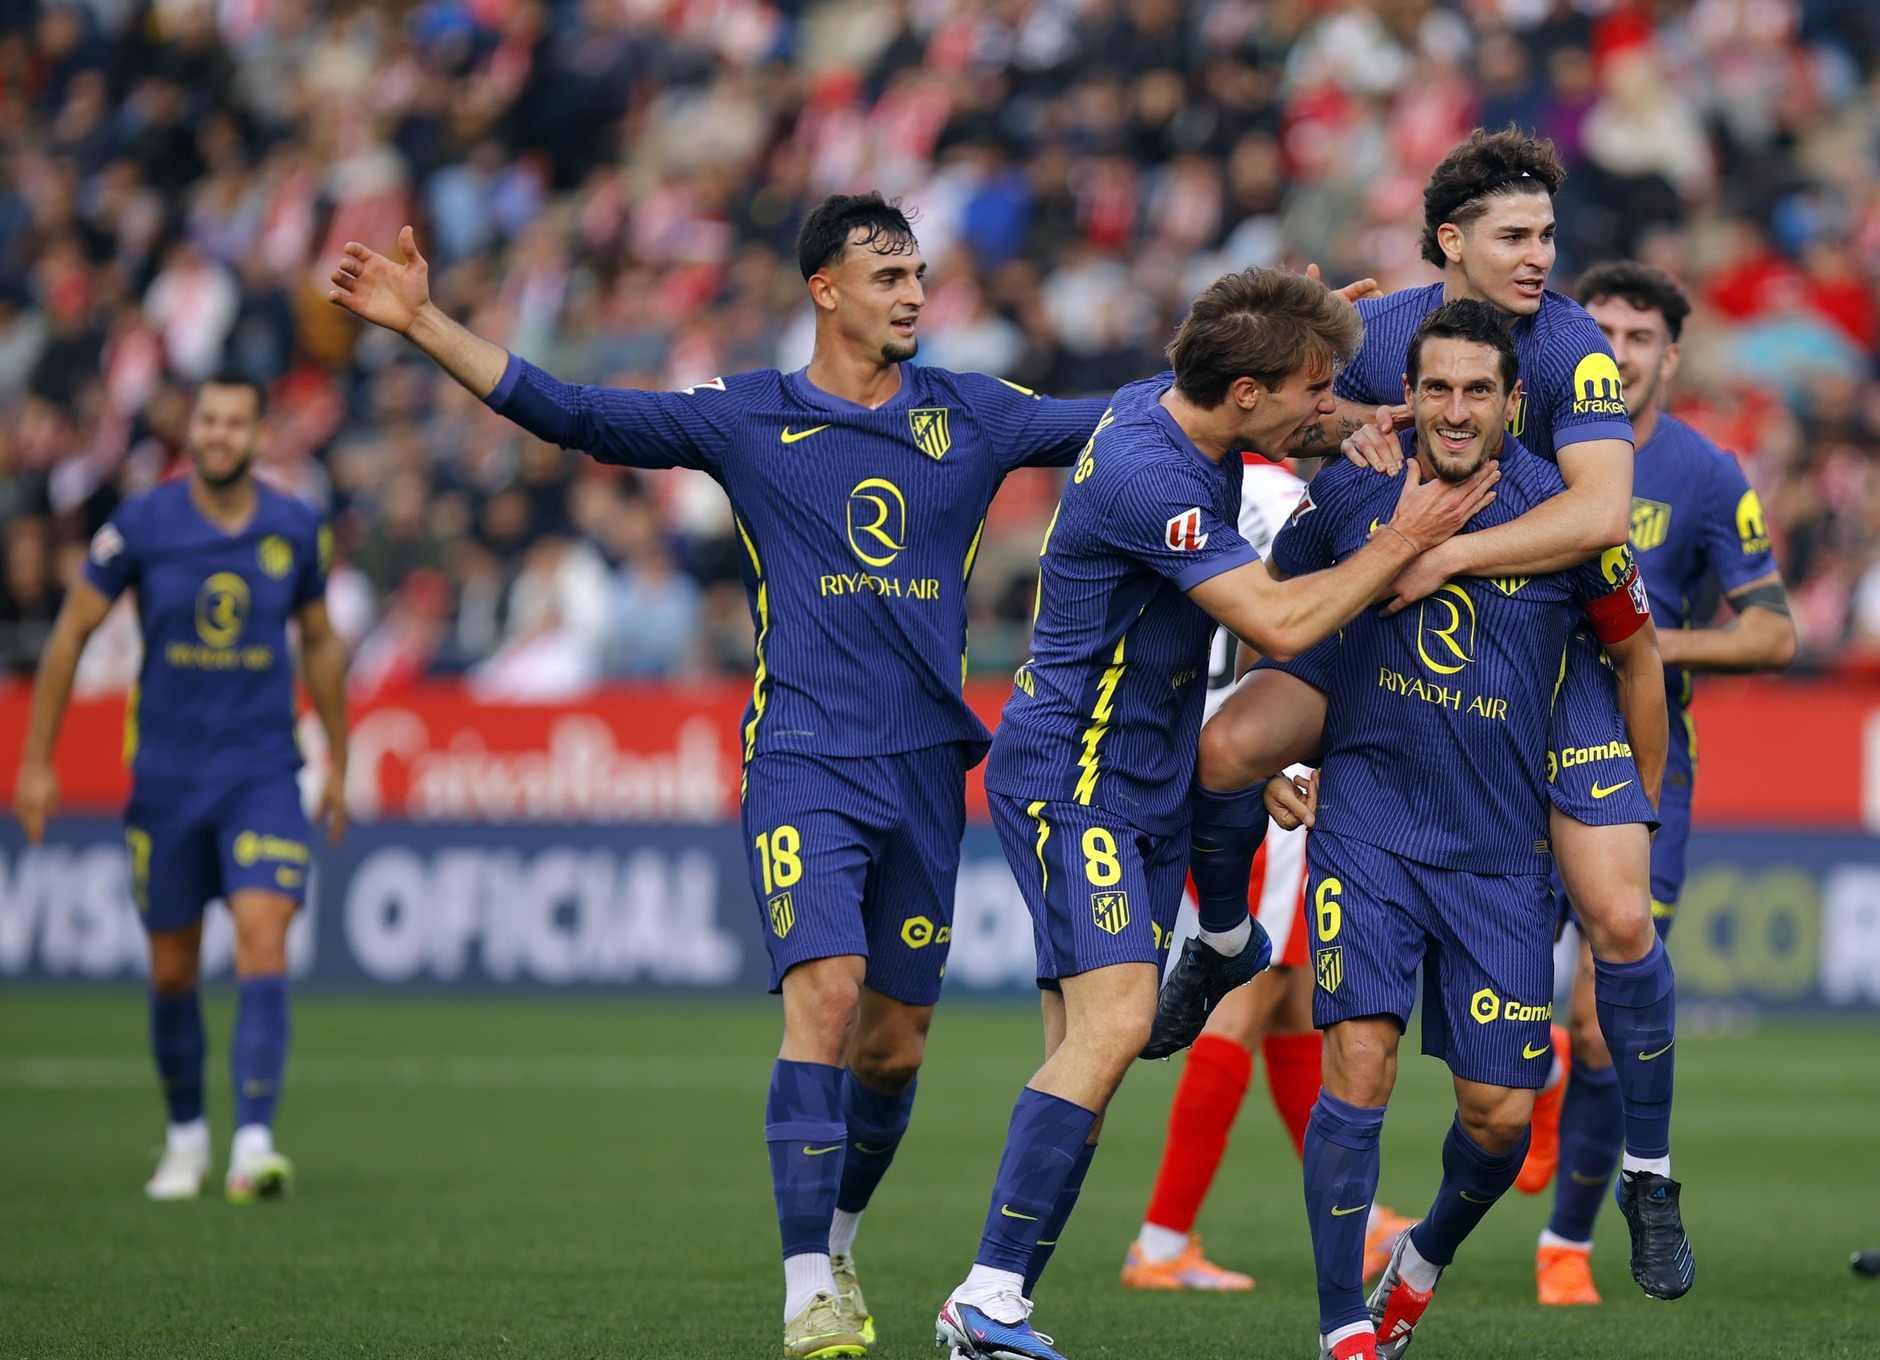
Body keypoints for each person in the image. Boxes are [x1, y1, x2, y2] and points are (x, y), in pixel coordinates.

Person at [327, 193, 1110, 1359]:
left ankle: (836, 1240)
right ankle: (805, 1289)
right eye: (887, 276)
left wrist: (1283, 371)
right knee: (826, 995)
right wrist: (425, 323)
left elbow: (1132, 420)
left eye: (917, 275)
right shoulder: (748, 415)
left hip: (923, 768)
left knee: (893, 1044)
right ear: (824, 289)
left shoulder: (973, 413)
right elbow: (575, 412)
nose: (912, 295)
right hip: (800, 755)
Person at [1160, 127, 1696, 1301]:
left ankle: (1647, 1176)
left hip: (1540, 654)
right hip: (1386, 642)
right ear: (1449, 240)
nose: (1539, 256)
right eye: (1514, 236)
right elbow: (1260, 417)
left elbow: (1598, 516)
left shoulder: (1569, 346)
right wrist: (1321, 403)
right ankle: (1219, 938)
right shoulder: (1382, 332)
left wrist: (1436, 552)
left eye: (1547, 234)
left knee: (1617, 914)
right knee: (1228, 747)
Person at [933, 267, 1499, 1360]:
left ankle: (999, 1305)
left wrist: (1349, 370)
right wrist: (1402, 538)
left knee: (1083, 1060)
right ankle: (986, 1294)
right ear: (1244, 393)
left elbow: (1286, 408)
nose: (1322, 410)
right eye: (1308, 388)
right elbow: (1279, 622)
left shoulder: (1179, 404)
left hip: (1146, 771)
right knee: (1113, 1029)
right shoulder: (1152, 476)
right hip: (1074, 777)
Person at [1261, 300, 1663, 1360]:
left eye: (1476, 390)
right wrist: (1275, 749)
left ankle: (1423, 1253)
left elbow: (1635, 654)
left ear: (1510, 402)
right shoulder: (1348, 489)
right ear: (1408, 393)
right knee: (1358, 1062)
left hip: (1498, 856)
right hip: (1367, 825)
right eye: (1434, 387)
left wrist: (1639, 807)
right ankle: (1341, 1325)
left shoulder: (1565, 519)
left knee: (1497, 1117)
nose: (1452, 409)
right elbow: (1281, 616)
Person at [13, 368, 348, 1203]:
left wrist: (339, 758)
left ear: (260, 436)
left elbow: (319, 641)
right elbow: (71, 634)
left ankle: (255, 1144)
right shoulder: (142, 525)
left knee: (264, 936)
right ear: (191, 429)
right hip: (167, 778)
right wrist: (37, 760)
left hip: (263, 773)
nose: (219, 435)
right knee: (172, 971)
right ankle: (187, 1138)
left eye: (235, 423)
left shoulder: (295, 527)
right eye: (208, 421)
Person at [1531, 261, 1794, 1306]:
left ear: (1669, 358)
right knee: (1495, 1000)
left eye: (1638, 337)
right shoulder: (1526, 442)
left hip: (1643, 764)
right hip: (1512, 749)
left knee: (1604, 1012)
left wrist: (1643, 641)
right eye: (1598, 330)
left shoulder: (1704, 472)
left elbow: (1774, 633)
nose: (1617, 351)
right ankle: (1534, 1077)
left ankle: (1565, 1243)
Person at [1119, 455, 1415, 1291]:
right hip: (1258, 758)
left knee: (1291, 999)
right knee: (1245, 994)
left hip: (1185, 752)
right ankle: (1162, 1240)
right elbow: (1307, 625)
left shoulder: (1167, 482)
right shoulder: (1291, 500)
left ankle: (1357, 1217)